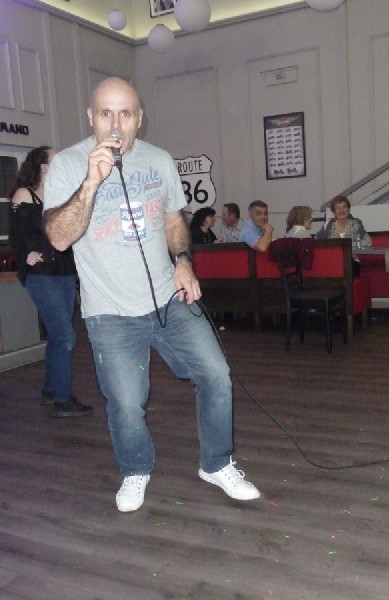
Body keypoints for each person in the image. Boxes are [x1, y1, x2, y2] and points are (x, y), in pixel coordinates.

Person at [43, 76, 260, 512]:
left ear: (140, 118)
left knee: (216, 375)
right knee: (126, 402)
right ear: (91, 117)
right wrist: (91, 182)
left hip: (168, 299)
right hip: (110, 311)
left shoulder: (159, 160)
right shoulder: (68, 164)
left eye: (125, 114)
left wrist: (183, 260)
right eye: (106, 113)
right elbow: (59, 238)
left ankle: (217, 463)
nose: (115, 125)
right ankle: (135, 469)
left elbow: (174, 219)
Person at [9, 146, 93, 418]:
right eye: (55, 159)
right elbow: (16, 234)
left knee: (59, 334)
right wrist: (25, 255)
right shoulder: (25, 195)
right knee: (65, 335)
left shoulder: (60, 194)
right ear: (43, 166)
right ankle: (62, 400)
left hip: (65, 270)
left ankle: (50, 390)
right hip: (41, 272)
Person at [315, 195, 371, 276]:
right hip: (333, 262)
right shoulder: (328, 225)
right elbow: (316, 240)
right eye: (338, 208)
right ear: (333, 212)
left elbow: (368, 242)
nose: (342, 210)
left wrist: (350, 246)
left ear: (348, 209)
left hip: (352, 262)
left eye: (344, 207)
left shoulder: (356, 224)